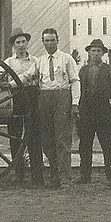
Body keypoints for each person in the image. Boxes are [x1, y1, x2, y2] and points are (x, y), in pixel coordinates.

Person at [36, 28, 80, 188]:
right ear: (43, 42)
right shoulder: (39, 61)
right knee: (47, 140)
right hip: (45, 98)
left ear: (57, 40)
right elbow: (27, 76)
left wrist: (75, 103)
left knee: (62, 140)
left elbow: (75, 81)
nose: (49, 43)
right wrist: (9, 83)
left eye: (52, 40)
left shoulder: (66, 59)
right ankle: (54, 176)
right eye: (46, 40)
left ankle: (65, 179)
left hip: (62, 97)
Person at [77, 39, 111, 185]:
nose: (95, 54)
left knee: (107, 143)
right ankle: (85, 175)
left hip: (103, 110)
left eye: (98, 51)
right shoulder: (83, 70)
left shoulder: (110, 70)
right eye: (92, 51)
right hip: (87, 110)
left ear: (103, 53)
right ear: (88, 52)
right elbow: (79, 91)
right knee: (85, 144)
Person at [5, 29, 43, 186]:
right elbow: (0, 80)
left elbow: (33, 77)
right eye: (17, 43)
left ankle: (37, 175)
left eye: (23, 42)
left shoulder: (35, 61)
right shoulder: (8, 62)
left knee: (34, 137)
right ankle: (18, 173)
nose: (21, 45)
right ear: (13, 46)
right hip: (14, 100)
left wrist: (13, 82)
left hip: (31, 99)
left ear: (27, 43)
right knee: (15, 138)